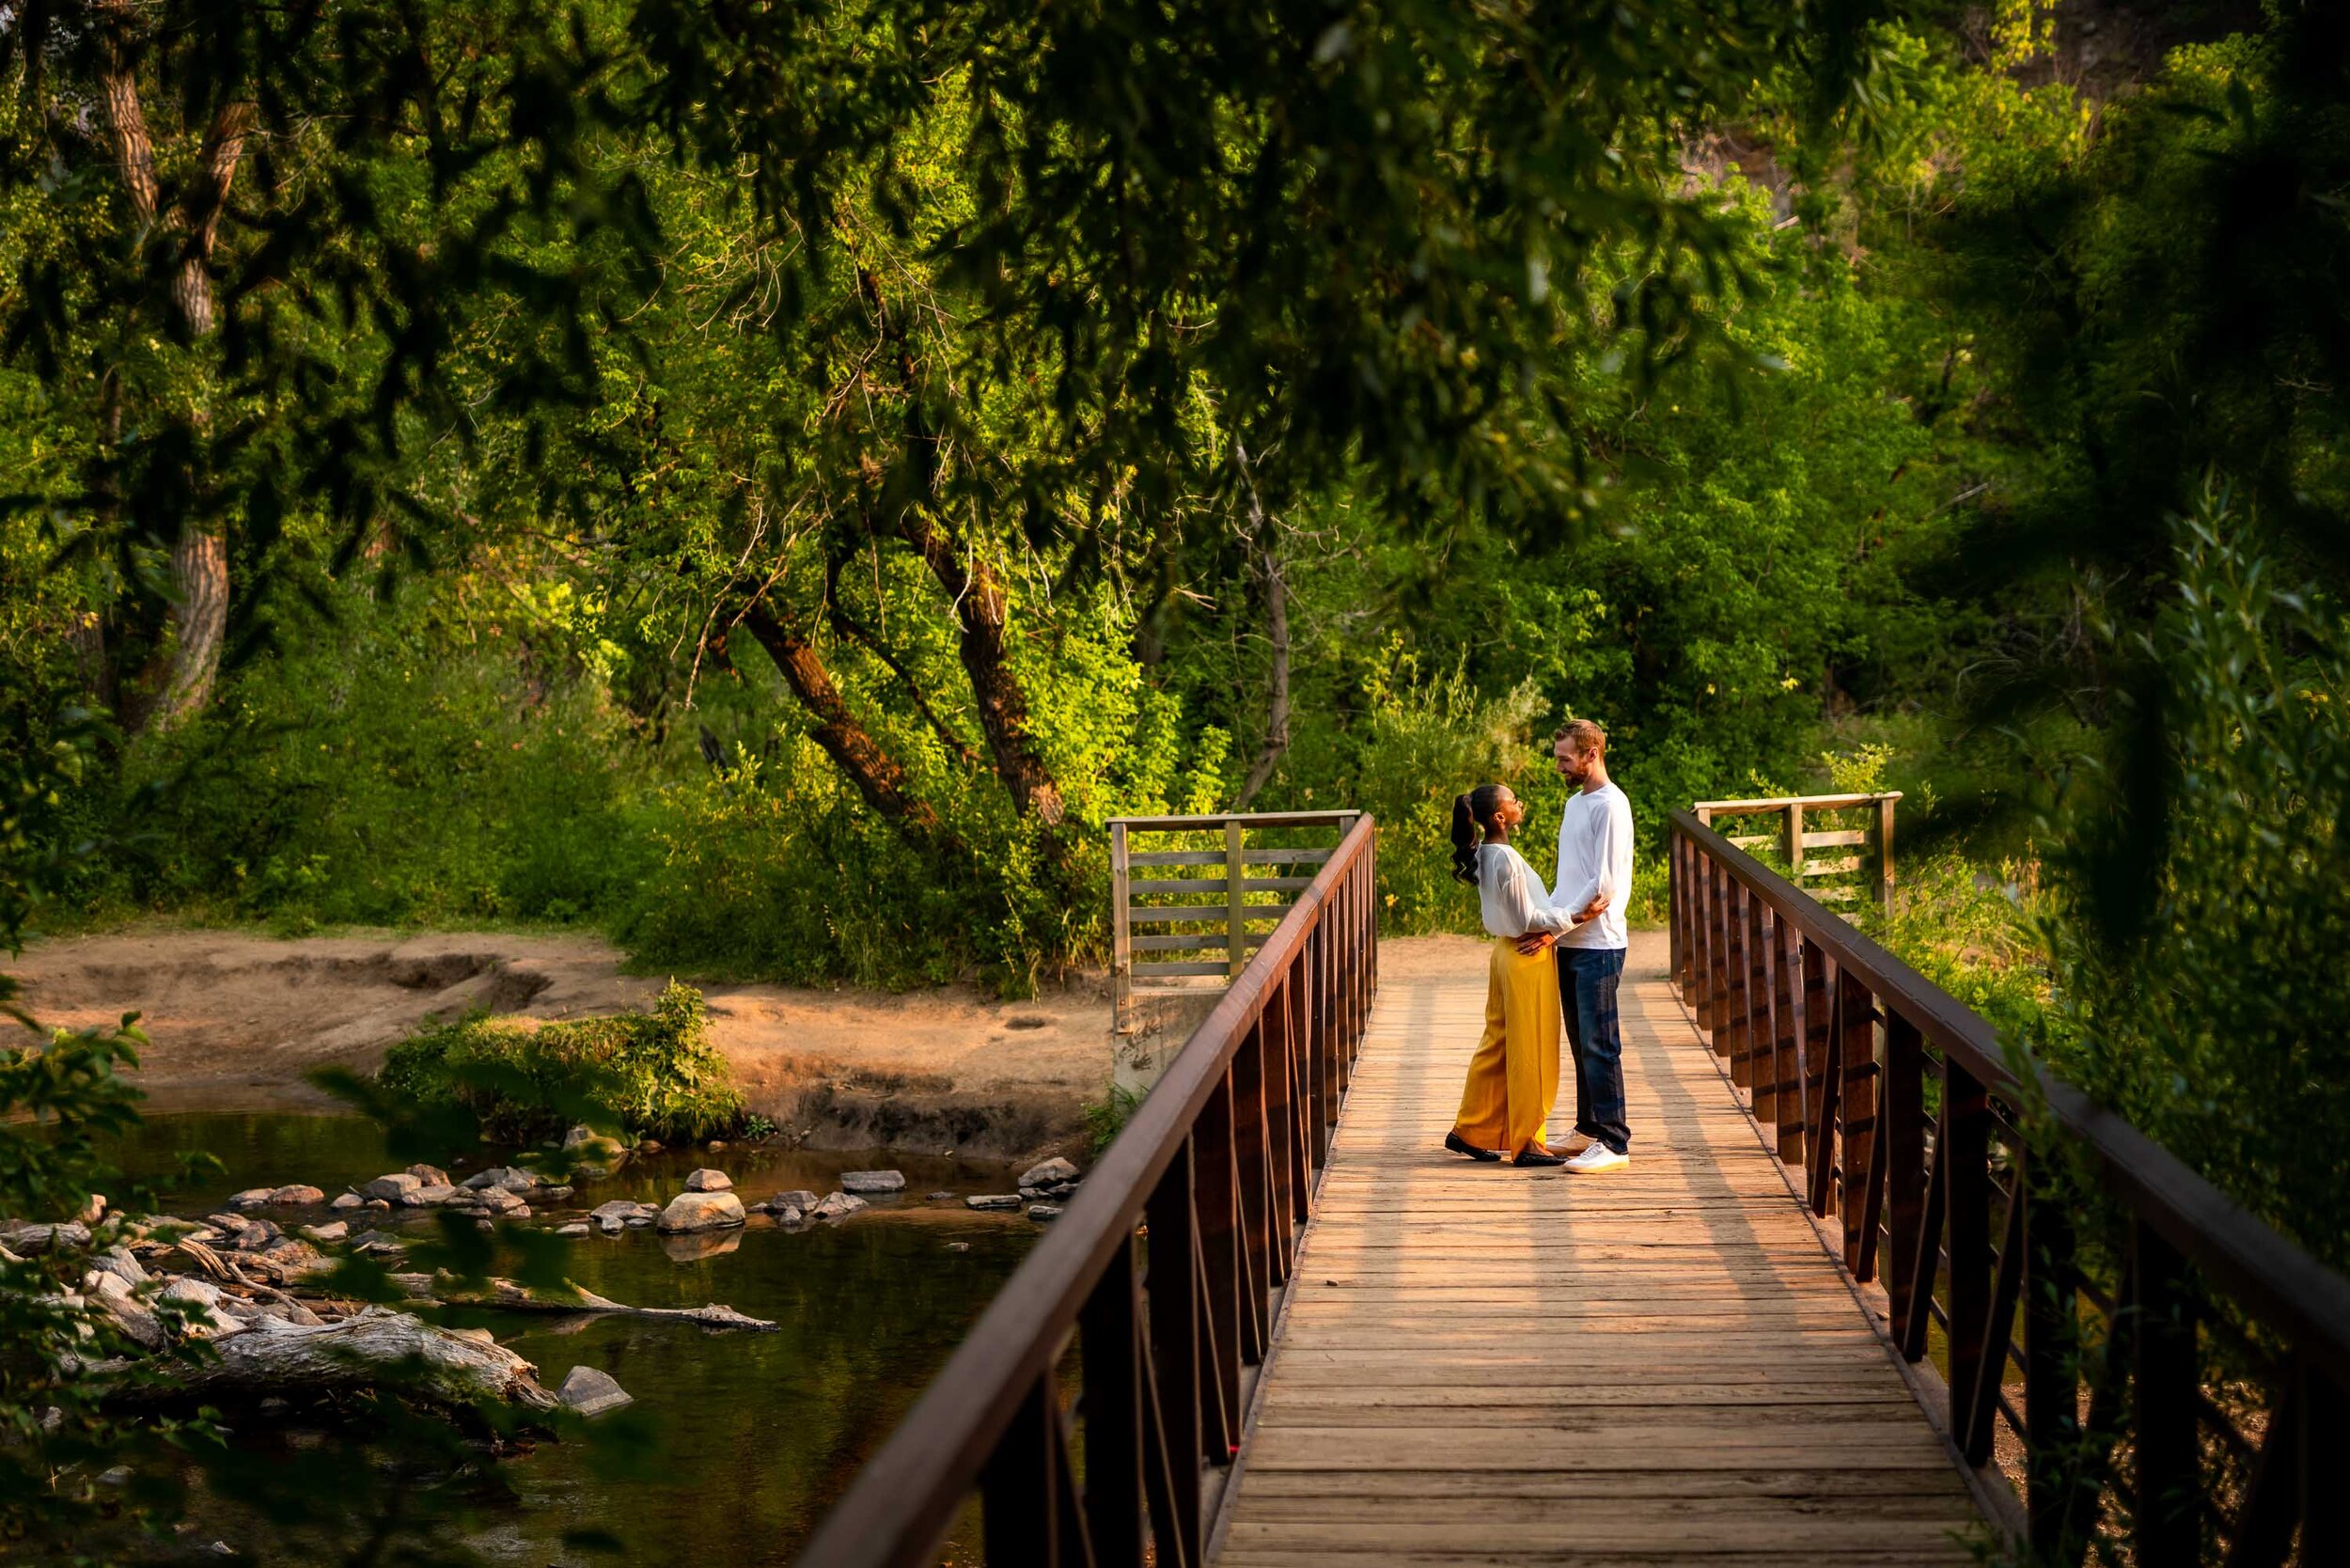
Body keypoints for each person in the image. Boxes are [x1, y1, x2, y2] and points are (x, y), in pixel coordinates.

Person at [1443, 784, 1604, 1168]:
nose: (1519, 804)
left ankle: (1470, 1130)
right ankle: (1528, 1142)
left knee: (1498, 1045)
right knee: (1531, 1049)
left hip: (1506, 954)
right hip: (1524, 956)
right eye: (1513, 801)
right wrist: (1579, 916)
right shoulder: (1505, 859)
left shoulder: (1487, 853)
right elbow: (1527, 920)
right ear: (1499, 817)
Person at [1515, 720, 1634, 1172]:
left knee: (1600, 1043)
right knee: (1581, 1041)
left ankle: (1615, 1142)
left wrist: (1553, 930)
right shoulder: (1574, 803)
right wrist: (1546, 923)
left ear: (1592, 754)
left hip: (1599, 945)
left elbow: (1601, 887)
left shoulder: (1611, 806)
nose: (1559, 765)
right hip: (1569, 939)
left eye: (1565, 758)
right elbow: (1571, 879)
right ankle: (1588, 1128)